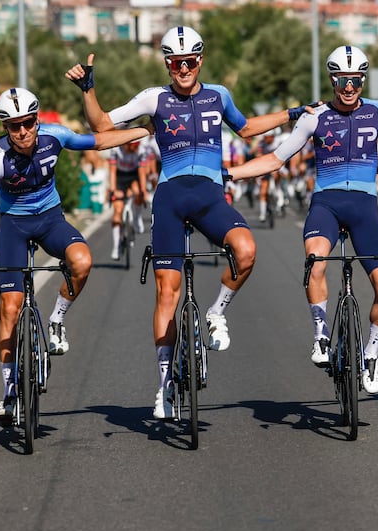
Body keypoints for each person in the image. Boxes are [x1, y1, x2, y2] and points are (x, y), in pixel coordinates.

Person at [65, 26, 306, 419]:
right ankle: (163, 386)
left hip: (211, 196)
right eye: (176, 63)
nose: (183, 69)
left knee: (246, 251)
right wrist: (88, 90)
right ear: (167, 63)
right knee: (167, 294)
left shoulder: (218, 96)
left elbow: (245, 128)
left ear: (201, 60)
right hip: (172, 199)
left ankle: (215, 312)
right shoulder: (154, 98)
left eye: (190, 61)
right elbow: (103, 126)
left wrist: (292, 114)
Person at [224, 45, 378, 396]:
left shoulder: (377, 112)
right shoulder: (314, 116)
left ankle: (372, 354)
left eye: (355, 80)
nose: (348, 87)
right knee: (316, 261)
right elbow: (276, 159)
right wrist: (230, 173)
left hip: (365, 207)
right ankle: (321, 336)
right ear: (332, 80)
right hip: (327, 205)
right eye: (341, 80)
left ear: (362, 80)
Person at [0, 88, 151, 426]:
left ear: (37, 119)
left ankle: (56, 321)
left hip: (51, 220)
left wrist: (145, 130)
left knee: (82, 262)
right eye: (14, 126)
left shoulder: (54, 136)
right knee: (9, 308)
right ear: (5, 128)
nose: (22, 131)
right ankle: (10, 391)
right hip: (13, 226)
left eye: (27, 123)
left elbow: (98, 141)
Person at [106, 138, 154, 260]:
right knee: (117, 211)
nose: (134, 150)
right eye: (132, 148)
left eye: (135, 148)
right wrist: (113, 191)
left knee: (138, 192)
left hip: (133, 176)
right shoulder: (116, 149)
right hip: (119, 177)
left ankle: (137, 218)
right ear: (126, 145)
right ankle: (116, 246)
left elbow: (142, 173)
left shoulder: (140, 151)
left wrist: (143, 191)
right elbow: (112, 172)